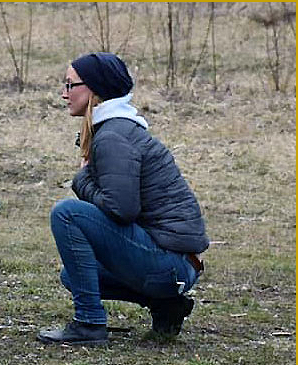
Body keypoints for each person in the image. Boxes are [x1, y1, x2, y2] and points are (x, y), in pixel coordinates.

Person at [37, 53, 209, 345]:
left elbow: (122, 209)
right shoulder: (117, 130)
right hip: (177, 264)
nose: (64, 94)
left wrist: (82, 181)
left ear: (93, 89)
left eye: (70, 85)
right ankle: (166, 305)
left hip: (172, 266)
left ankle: (89, 324)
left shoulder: (113, 137)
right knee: (73, 275)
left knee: (66, 213)